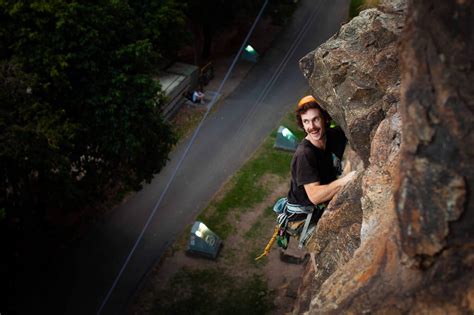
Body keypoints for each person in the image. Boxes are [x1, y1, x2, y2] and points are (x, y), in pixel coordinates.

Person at [286, 95, 356, 222]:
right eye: (306, 121)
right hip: (305, 211)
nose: (311, 126)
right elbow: (315, 196)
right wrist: (345, 180)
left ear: (324, 118)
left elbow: (354, 134)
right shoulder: (304, 154)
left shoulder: (333, 136)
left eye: (315, 119)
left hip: (320, 200)